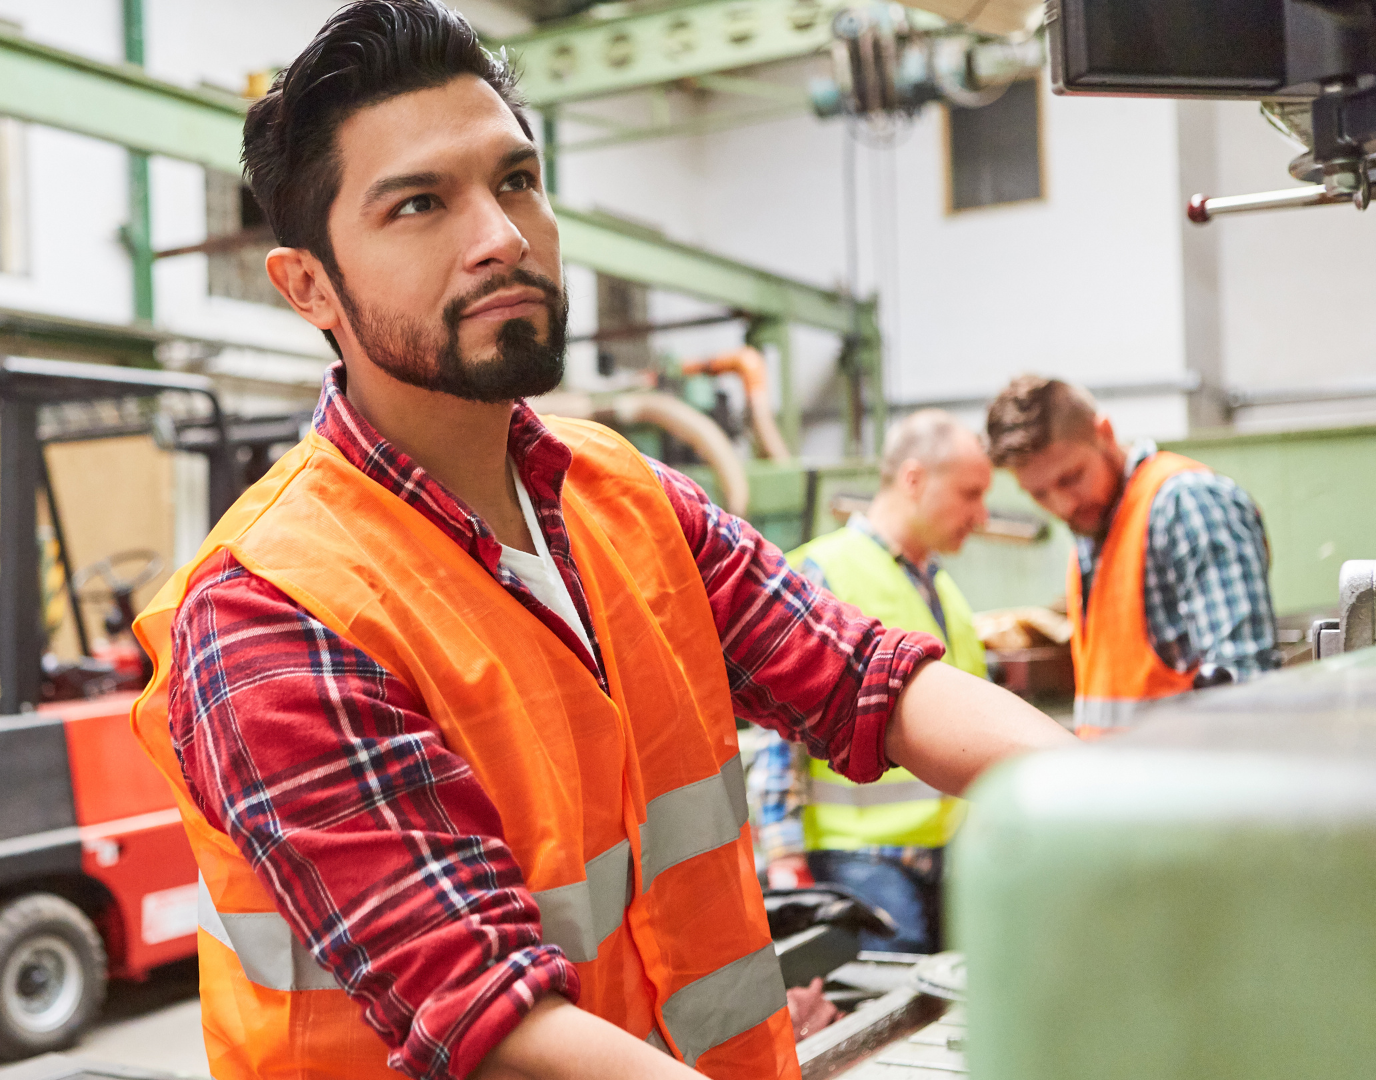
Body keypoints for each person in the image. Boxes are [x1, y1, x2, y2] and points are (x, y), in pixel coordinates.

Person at [130, 5, 1075, 1078]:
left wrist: (1122, 806)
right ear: (309, 288)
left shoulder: (624, 495)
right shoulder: (270, 610)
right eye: (420, 205)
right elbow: (484, 1013)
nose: (500, 235)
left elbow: (863, 681)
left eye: (516, 180)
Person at [754, 410, 992, 956]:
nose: (980, 515)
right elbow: (778, 732)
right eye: (970, 493)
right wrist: (786, 861)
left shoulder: (944, 592)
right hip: (862, 866)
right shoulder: (822, 573)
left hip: (944, 861)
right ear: (914, 480)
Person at [985, 376, 1279, 738]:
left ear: (1104, 433)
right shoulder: (1093, 535)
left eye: (1072, 477)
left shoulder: (1187, 503)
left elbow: (1245, 688)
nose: (1063, 505)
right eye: (1039, 494)